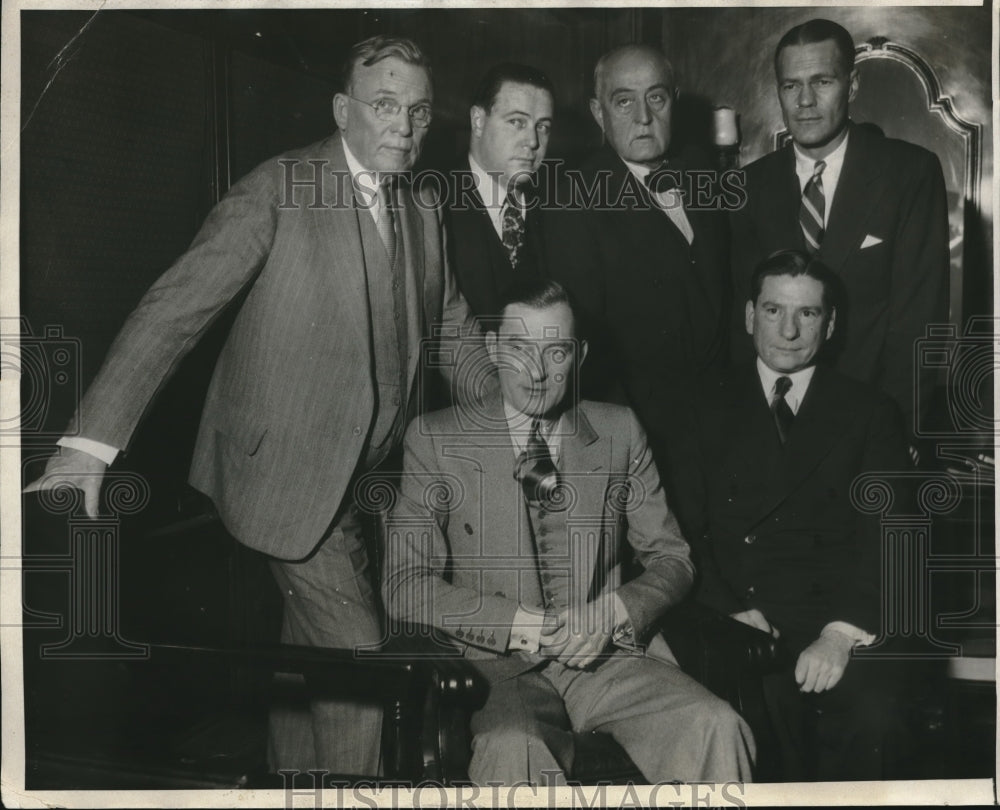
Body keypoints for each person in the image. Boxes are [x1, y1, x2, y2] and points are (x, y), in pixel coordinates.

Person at [24, 35, 477, 776]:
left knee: (310, 668)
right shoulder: (279, 187)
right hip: (282, 473)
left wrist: (517, 415)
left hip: (357, 480)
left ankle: (289, 784)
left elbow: (453, 328)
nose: (404, 126)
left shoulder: (423, 207)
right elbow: (174, 309)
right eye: (385, 105)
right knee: (362, 667)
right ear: (343, 110)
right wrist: (87, 447)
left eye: (419, 111)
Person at [383, 278, 754, 786]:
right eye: (519, 347)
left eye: (555, 351)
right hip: (497, 670)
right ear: (492, 347)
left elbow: (673, 558)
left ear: (578, 355)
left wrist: (615, 611)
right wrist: (521, 624)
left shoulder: (619, 431)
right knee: (513, 747)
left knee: (717, 725)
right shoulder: (436, 439)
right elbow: (405, 587)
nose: (536, 371)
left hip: (609, 659)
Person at [675, 250, 910, 780]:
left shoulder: (870, 412)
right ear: (749, 316)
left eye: (807, 313)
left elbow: (889, 538)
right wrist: (727, 612)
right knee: (753, 723)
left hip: (836, 621)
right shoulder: (700, 406)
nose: (788, 330)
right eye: (773, 310)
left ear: (831, 324)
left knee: (875, 720)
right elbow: (681, 535)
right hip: (739, 620)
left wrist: (840, 635)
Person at [730, 18, 950, 448]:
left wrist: (896, 434)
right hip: (772, 429)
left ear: (851, 86)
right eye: (791, 86)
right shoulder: (749, 186)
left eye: (822, 81)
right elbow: (744, 323)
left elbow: (919, 323)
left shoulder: (908, 174)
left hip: (870, 425)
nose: (805, 101)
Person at [543, 44, 730, 490]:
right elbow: (585, 349)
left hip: (725, 426)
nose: (644, 117)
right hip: (643, 443)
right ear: (598, 112)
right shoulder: (573, 199)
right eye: (624, 101)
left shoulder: (702, 171)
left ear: (674, 102)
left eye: (656, 98)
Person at [446, 62, 554, 328]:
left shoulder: (560, 206)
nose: (533, 141)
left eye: (542, 126)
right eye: (517, 122)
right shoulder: (433, 203)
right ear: (478, 121)